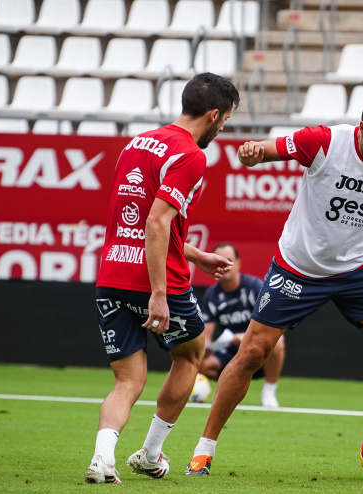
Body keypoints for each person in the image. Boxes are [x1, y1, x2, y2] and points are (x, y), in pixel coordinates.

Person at [185, 94, 363, 481]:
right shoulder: (324, 141)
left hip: (357, 270)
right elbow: (266, 150)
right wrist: (252, 153)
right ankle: (204, 449)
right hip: (298, 267)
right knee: (253, 352)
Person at [84, 72, 240, 484]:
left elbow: (139, 224)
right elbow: (155, 224)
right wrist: (158, 293)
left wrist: (196, 255)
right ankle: (150, 454)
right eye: (224, 120)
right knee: (190, 355)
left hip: (112, 273)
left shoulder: (136, 144)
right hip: (157, 282)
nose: (223, 128)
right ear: (213, 114)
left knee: (128, 380)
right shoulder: (190, 154)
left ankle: (102, 459)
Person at [199, 242, 286, 407]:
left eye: (228, 260)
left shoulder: (254, 287)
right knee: (198, 362)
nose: (224, 265)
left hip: (257, 349)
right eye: (219, 261)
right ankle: (223, 388)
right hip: (229, 354)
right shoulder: (211, 295)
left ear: (238, 263)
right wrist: (205, 348)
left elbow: (274, 327)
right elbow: (207, 338)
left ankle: (269, 391)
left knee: (278, 342)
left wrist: (246, 337)